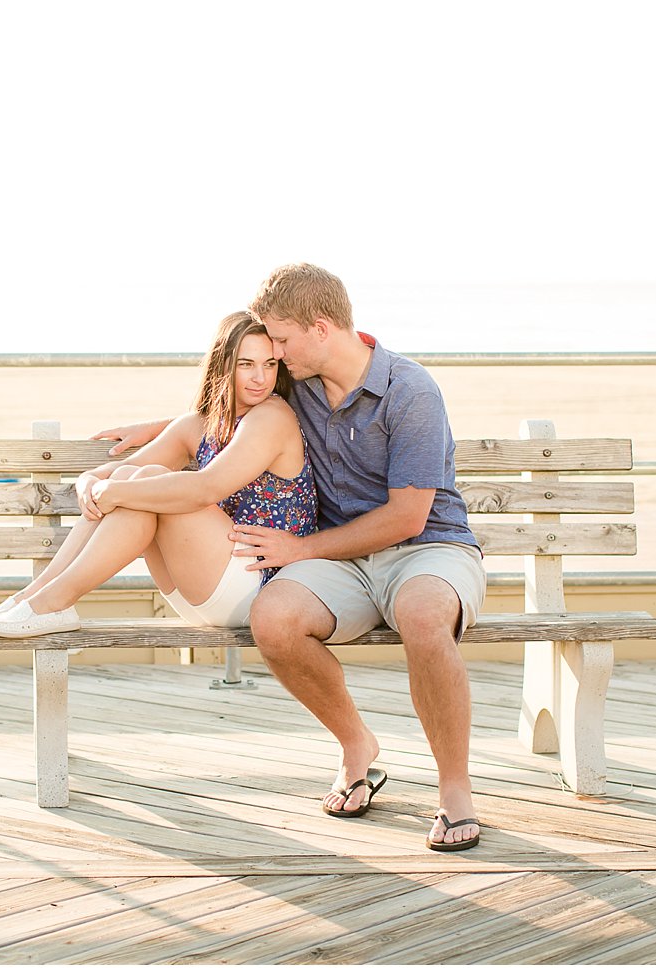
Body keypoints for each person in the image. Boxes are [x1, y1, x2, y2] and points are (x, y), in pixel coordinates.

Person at [93, 263, 487, 852]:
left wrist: (301, 548)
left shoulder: (411, 392)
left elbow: (407, 517)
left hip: (426, 548)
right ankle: (357, 745)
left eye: (279, 338)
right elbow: (232, 407)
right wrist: (162, 428)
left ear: (321, 329)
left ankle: (455, 791)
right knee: (273, 619)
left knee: (425, 614)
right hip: (343, 562)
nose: (273, 352)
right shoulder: (298, 384)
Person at [0, 311, 316, 638]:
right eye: (246, 364)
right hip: (200, 589)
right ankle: (33, 598)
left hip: (259, 587)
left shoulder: (272, 415)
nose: (260, 377)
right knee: (140, 478)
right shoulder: (198, 425)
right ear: (223, 366)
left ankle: (51, 603)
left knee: (145, 480)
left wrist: (114, 491)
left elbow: (205, 489)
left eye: (269, 364)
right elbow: (116, 472)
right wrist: (90, 481)